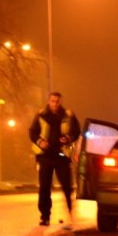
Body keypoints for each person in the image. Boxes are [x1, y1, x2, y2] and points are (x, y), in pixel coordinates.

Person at [29, 92, 81, 226]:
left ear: (60, 102)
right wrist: (40, 142)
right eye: (52, 101)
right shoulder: (41, 115)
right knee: (44, 188)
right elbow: (32, 132)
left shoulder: (69, 115)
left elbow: (76, 131)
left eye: (57, 101)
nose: (55, 104)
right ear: (48, 101)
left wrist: (68, 138)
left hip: (62, 156)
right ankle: (45, 216)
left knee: (67, 186)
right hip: (45, 156)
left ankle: (71, 213)